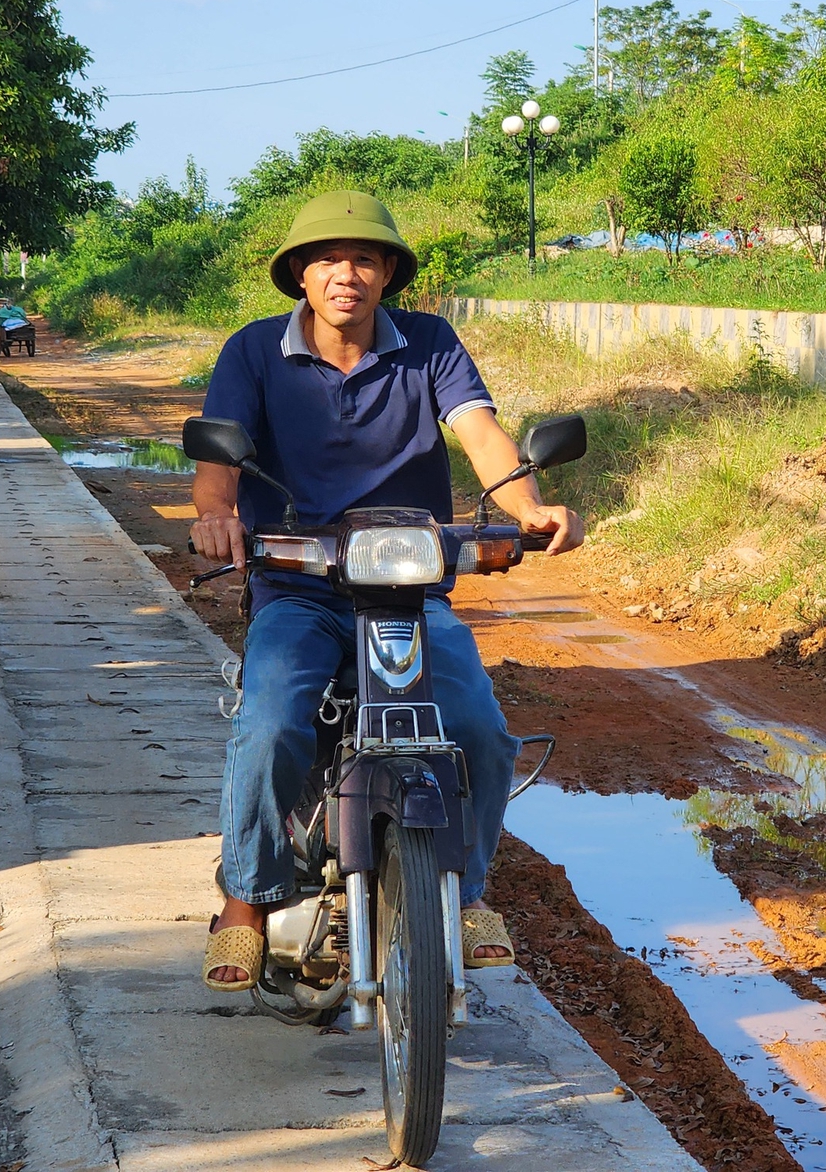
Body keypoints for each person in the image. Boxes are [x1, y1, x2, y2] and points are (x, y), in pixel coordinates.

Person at [189, 190, 583, 990]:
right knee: (269, 720)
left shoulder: (431, 345)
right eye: (329, 259)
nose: (347, 274)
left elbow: (479, 434)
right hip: (297, 589)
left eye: (365, 259)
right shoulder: (254, 352)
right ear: (300, 273)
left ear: (388, 274)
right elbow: (217, 466)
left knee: (475, 724)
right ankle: (246, 903)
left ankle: (466, 893)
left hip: (409, 593)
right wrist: (217, 519)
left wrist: (529, 507)